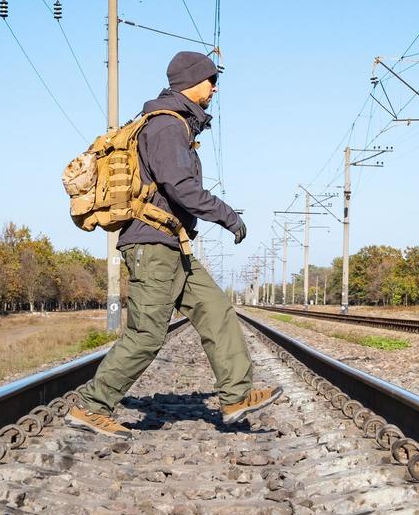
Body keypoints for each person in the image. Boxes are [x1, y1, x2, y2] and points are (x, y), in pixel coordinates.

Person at [67, 50, 283, 438]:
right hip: (153, 245)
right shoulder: (167, 126)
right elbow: (180, 187)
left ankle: (236, 396)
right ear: (191, 82)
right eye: (211, 80)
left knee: (216, 309)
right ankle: (91, 406)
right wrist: (227, 215)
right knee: (147, 334)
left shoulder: (177, 123)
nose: (215, 88)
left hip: (172, 243)